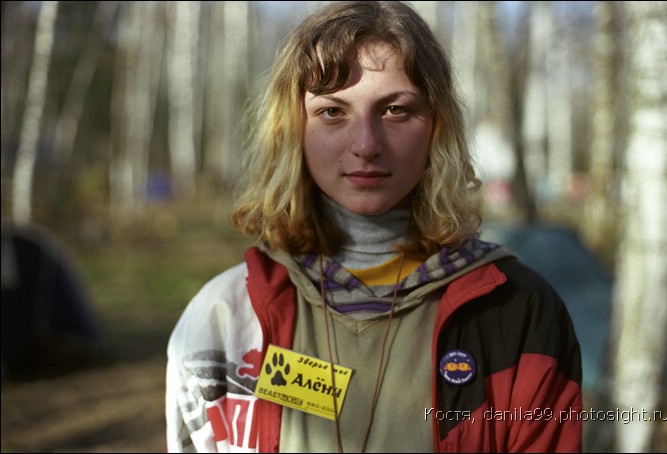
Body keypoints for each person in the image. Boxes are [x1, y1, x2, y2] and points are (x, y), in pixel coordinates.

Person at [165, 1, 583, 452]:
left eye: (395, 110)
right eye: (332, 112)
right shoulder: (225, 319)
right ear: (292, 129)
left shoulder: (517, 311)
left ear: (436, 126)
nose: (366, 145)